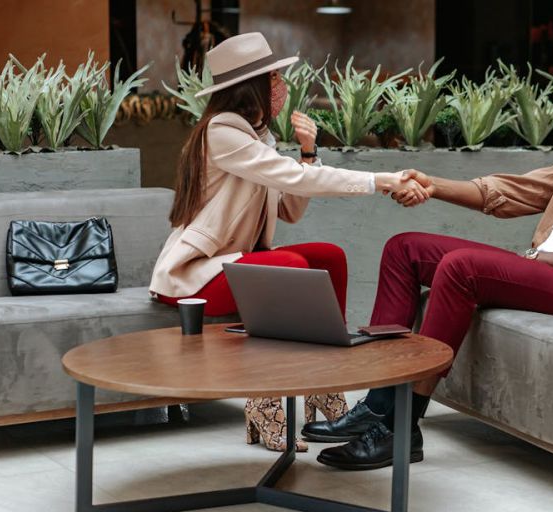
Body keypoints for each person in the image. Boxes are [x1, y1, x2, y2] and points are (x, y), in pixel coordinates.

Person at [302, 43, 553, 470]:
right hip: (544, 268)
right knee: (405, 249)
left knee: (461, 268)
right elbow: (515, 192)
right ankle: (380, 403)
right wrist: (434, 184)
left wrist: (546, 260)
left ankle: (404, 427)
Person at [148, 32, 429, 453]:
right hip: (197, 274)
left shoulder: (258, 139)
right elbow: (292, 179)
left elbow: (291, 209)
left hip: (240, 262)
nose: (281, 85)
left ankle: (323, 389)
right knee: (290, 270)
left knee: (327, 258)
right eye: (273, 77)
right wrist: (380, 180)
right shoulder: (221, 133)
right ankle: (266, 402)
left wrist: (309, 151)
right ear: (252, 88)